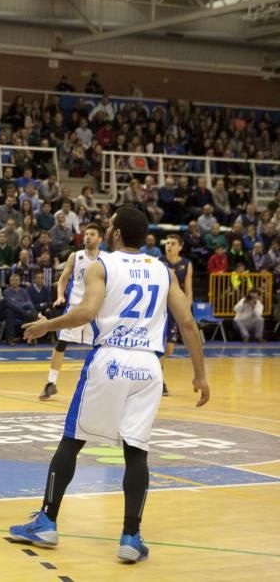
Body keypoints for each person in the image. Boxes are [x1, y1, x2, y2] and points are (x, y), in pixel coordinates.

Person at [14, 206, 209, 563]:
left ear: (116, 233)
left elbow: (87, 313)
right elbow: (188, 324)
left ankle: (46, 521)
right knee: (136, 451)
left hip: (111, 359)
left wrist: (47, 326)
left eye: (108, 224)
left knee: (72, 441)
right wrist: (200, 374)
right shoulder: (164, 271)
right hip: (149, 367)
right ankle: (130, 538)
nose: (105, 228)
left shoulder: (101, 265)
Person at [39, 223, 103, 400]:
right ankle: (51, 383)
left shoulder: (106, 259)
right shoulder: (76, 256)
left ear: (100, 239)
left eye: (92, 234)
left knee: (100, 347)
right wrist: (60, 295)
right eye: (86, 234)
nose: (87, 237)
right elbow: (63, 279)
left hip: (96, 308)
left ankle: (99, 384)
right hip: (75, 307)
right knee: (61, 344)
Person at [160, 234, 192, 396]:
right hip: (160, 309)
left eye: (172, 243)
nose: (169, 246)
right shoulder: (159, 262)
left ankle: (156, 376)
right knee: (159, 346)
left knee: (169, 349)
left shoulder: (186, 264)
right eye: (167, 243)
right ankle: (159, 381)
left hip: (175, 309)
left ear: (180, 246)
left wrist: (186, 308)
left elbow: (188, 289)